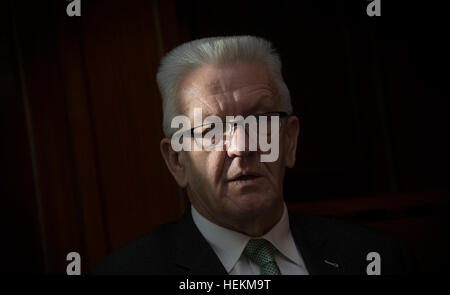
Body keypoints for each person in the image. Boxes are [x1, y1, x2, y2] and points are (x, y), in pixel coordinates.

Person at [90, 36, 417, 275]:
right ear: (177, 161)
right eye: (211, 130)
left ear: (289, 140)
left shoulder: (380, 258)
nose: (241, 146)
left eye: (259, 121)